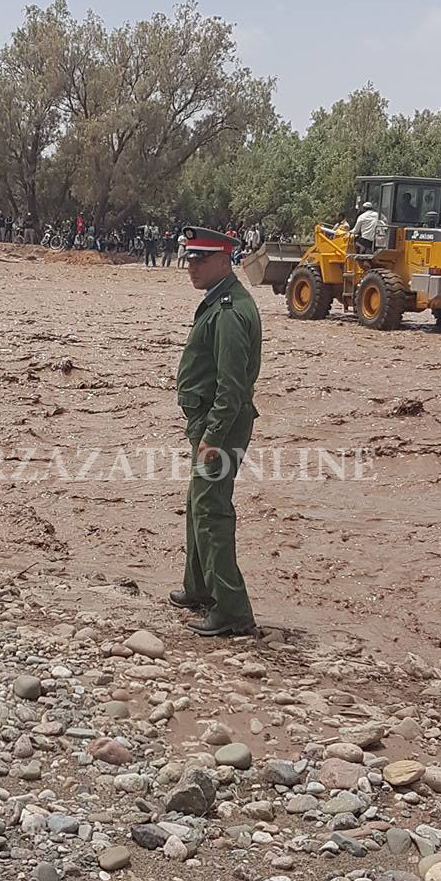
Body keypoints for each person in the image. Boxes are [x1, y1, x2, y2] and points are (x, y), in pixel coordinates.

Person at [170, 226, 261, 638]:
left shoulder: (228, 312)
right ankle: (200, 587)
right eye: (190, 258)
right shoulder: (221, 301)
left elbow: (232, 388)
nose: (193, 266)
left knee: (212, 512)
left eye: (201, 259)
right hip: (208, 423)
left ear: (225, 261)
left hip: (219, 426)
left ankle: (232, 610)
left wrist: (213, 437)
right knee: (199, 503)